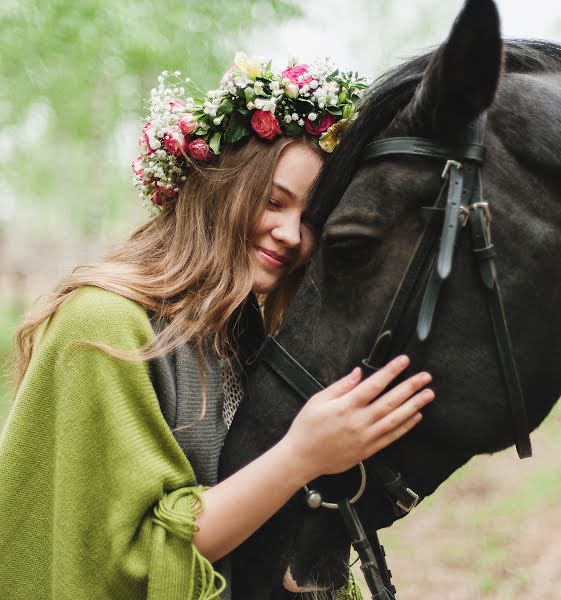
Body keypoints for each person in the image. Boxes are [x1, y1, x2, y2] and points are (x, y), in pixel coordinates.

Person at [0, 54, 435, 599]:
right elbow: (130, 559)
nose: (290, 235)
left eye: (310, 220)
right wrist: (302, 454)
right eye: (274, 202)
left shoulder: (237, 333)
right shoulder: (102, 324)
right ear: (219, 186)